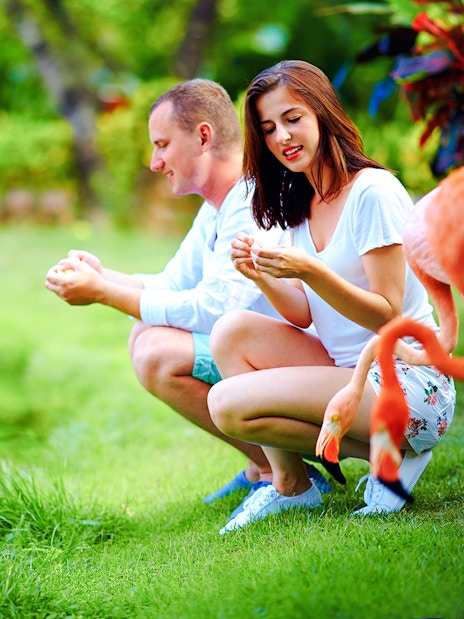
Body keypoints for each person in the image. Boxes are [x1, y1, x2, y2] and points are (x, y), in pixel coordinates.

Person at [207, 60, 456, 534]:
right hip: (346, 374)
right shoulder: (299, 204)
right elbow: (302, 313)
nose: (282, 136)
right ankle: (292, 487)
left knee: (226, 404)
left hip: (409, 380)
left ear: (322, 113)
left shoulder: (372, 193)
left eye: (292, 118)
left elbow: (388, 315)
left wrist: (312, 271)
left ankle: (397, 450)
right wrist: (261, 273)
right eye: (268, 128)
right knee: (230, 333)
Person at [45, 78, 316, 504]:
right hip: (265, 352)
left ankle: (285, 472)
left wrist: (100, 293)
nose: (155, 162)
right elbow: (172, 284)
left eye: (162, 144)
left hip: (305, 359)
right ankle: (265, 466)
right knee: (145, 335)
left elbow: (213, 310)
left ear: (203, 136)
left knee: (157, 352)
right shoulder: (219, 208)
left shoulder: (252, 202)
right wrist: (103, 276)